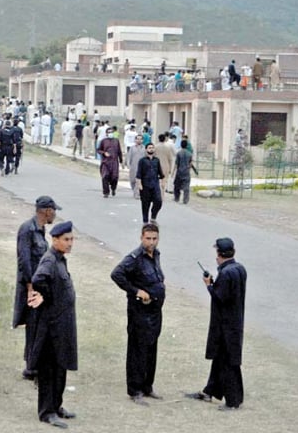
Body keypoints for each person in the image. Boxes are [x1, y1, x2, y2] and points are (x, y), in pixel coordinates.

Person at [27, 221, 77, 429]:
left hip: (63, 326)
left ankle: (56, 406)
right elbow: (38, 279)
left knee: (60, 367)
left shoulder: (60, 260)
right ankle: (47, 411)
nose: (70, 243)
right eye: (66, 240)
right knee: (49, 370)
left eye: (72, 239)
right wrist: (48, 298)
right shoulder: (49, 260)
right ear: (55, 240)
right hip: (52, 326)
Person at [187, 238, 247, 411]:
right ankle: (210, 391)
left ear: (219, 254)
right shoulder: (239, 269)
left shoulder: (227, 273)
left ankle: (233, 400)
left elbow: (220, 297)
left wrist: (209, 285)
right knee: (221, 359)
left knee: (228, 362)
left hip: (225, 325)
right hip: (234, 322)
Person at [110, 223, 166, 406]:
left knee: (151, 349)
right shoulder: (134, 258)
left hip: (155, 311)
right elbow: (117, 274)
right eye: (148, 238)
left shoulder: (155, 255)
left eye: (154, 238)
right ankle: (135, 389)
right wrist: (136, 291)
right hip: (139, 312)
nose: (151, 242)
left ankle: (147, 386)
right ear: (141, 238)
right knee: (138, 350)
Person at [13, 196, 61, 381]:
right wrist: (30, 287)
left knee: (39, 327)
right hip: (31, 287)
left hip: (40, 287)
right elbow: (24, 260)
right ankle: (31, 367)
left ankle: (34, 364)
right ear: (47, 211)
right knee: (33, 327)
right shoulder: (27, 229)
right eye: (54, 211)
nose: (55, 214)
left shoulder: (40, 231)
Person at [136, 143, 164, 225]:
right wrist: (139, 184)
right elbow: (139, 174)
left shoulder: (157, 160)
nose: (151, 149)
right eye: (149, 148)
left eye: (152, 148)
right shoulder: (142, 161)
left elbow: (160, 173)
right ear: (146, 149)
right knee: (145, 204)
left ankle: (153, 217)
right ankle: (145, 221)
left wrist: (162, 183)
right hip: (145, 185)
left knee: (158, 201)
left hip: (155, 184)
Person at [97, 126, 123, 198]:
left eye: (111, 132)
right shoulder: (103, 141)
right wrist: (104, 153)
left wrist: (121, 160)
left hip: (114, 162)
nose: (110, 133)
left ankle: (113, 188)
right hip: (106, 162)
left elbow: (119, 151)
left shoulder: (116, 141)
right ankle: (106, 192)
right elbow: (98, 150)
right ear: (106, 134)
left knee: (114, 177)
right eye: (109, 132)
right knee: (105, 176)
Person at [172, 139, 196, 204]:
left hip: (179, 172)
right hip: (186, 172)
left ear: (181, 145)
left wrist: (173, 172)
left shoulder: (179, 153)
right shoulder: (190, 154)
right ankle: (185, 200)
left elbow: (176, 164)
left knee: (177, 186)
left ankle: (177, 198)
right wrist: (188, 168)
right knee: (186, 187)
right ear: (186, 146)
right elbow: (191, 163)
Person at [127, 134, 145, 199]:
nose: (139, 140)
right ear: (135, 140)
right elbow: (129, 157)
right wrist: (128, 164)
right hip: (133, 167)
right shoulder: (132, 148)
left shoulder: (144, 148)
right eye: (137, 139)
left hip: (142, 167)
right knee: (132, 180)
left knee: (139, 180)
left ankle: (137, 193)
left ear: (142, 140)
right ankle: (134, 191)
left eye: (140, 139)